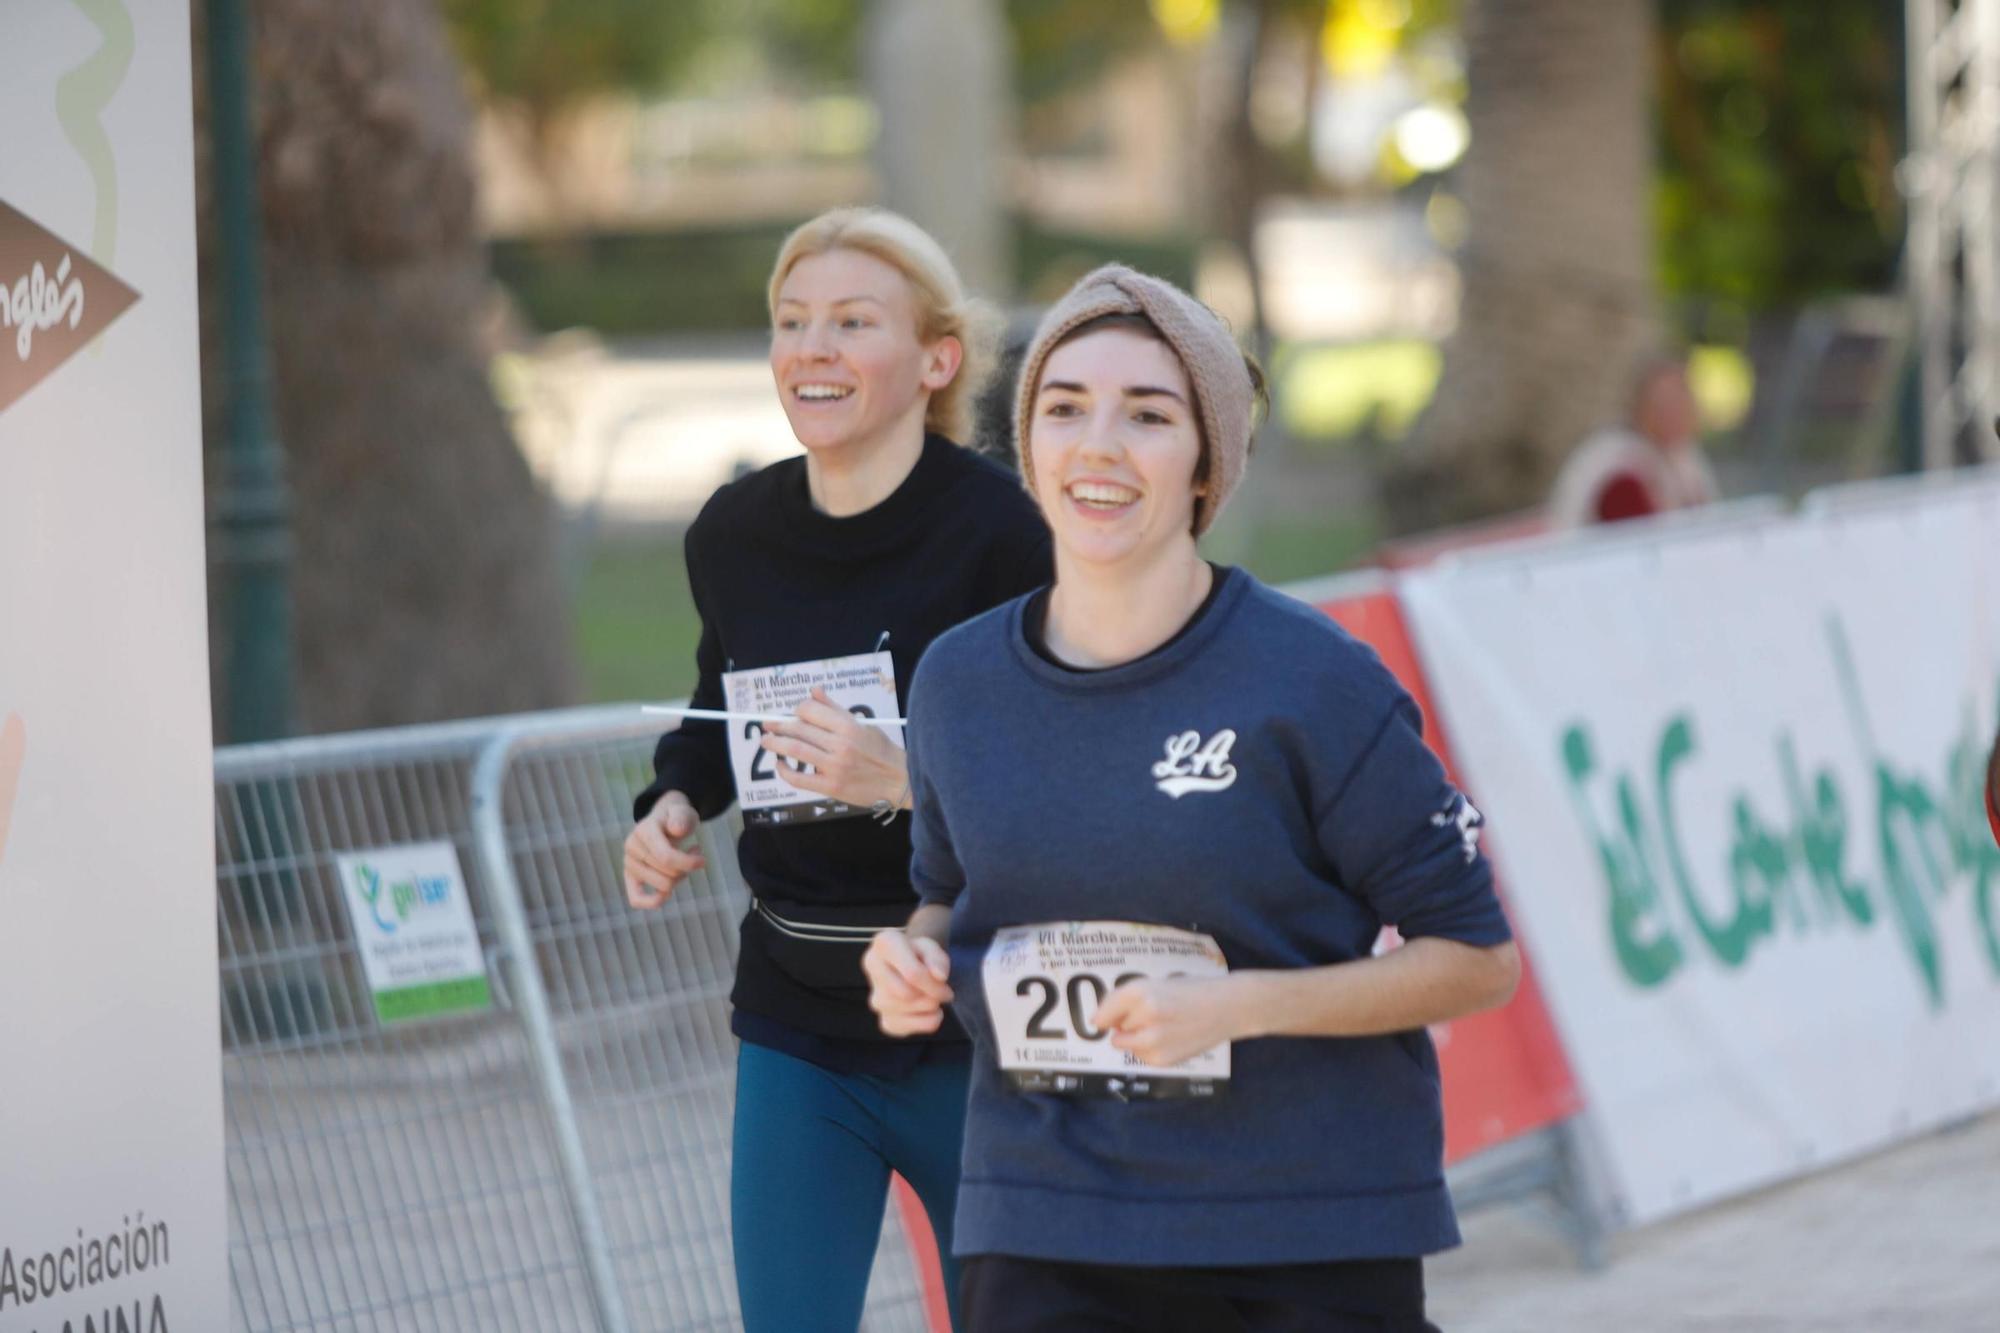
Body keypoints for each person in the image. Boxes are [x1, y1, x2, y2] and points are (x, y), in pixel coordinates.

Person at [864, 264, 1521, 1332]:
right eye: (1064, 406)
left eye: (1148, 415)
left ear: (1205, 461)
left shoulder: (1311, 679)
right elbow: (947, 894)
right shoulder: (954, 680)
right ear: (1026, 441)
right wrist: (911, 956)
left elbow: (1477, 958)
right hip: (1040, 1218)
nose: (1098, 446)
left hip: (1300, 1224)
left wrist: (1239, 1004)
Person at [622, 207, 1052, 1332]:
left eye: (851, 322)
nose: (809, 347)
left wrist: (907, 776)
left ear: (934, 361)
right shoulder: (731, 532)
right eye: (789, 321)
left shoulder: (1004, 534)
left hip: (973, 1019)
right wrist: (672, 802)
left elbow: (1061, 767)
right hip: (797, 1016)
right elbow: (717, 705)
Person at [1548, 353, 1720, 528]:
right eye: (1663, 403)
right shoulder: (1621, 469)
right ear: (1641, 405)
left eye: (1681, 398)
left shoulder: (1684, 456)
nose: (1674, 412)